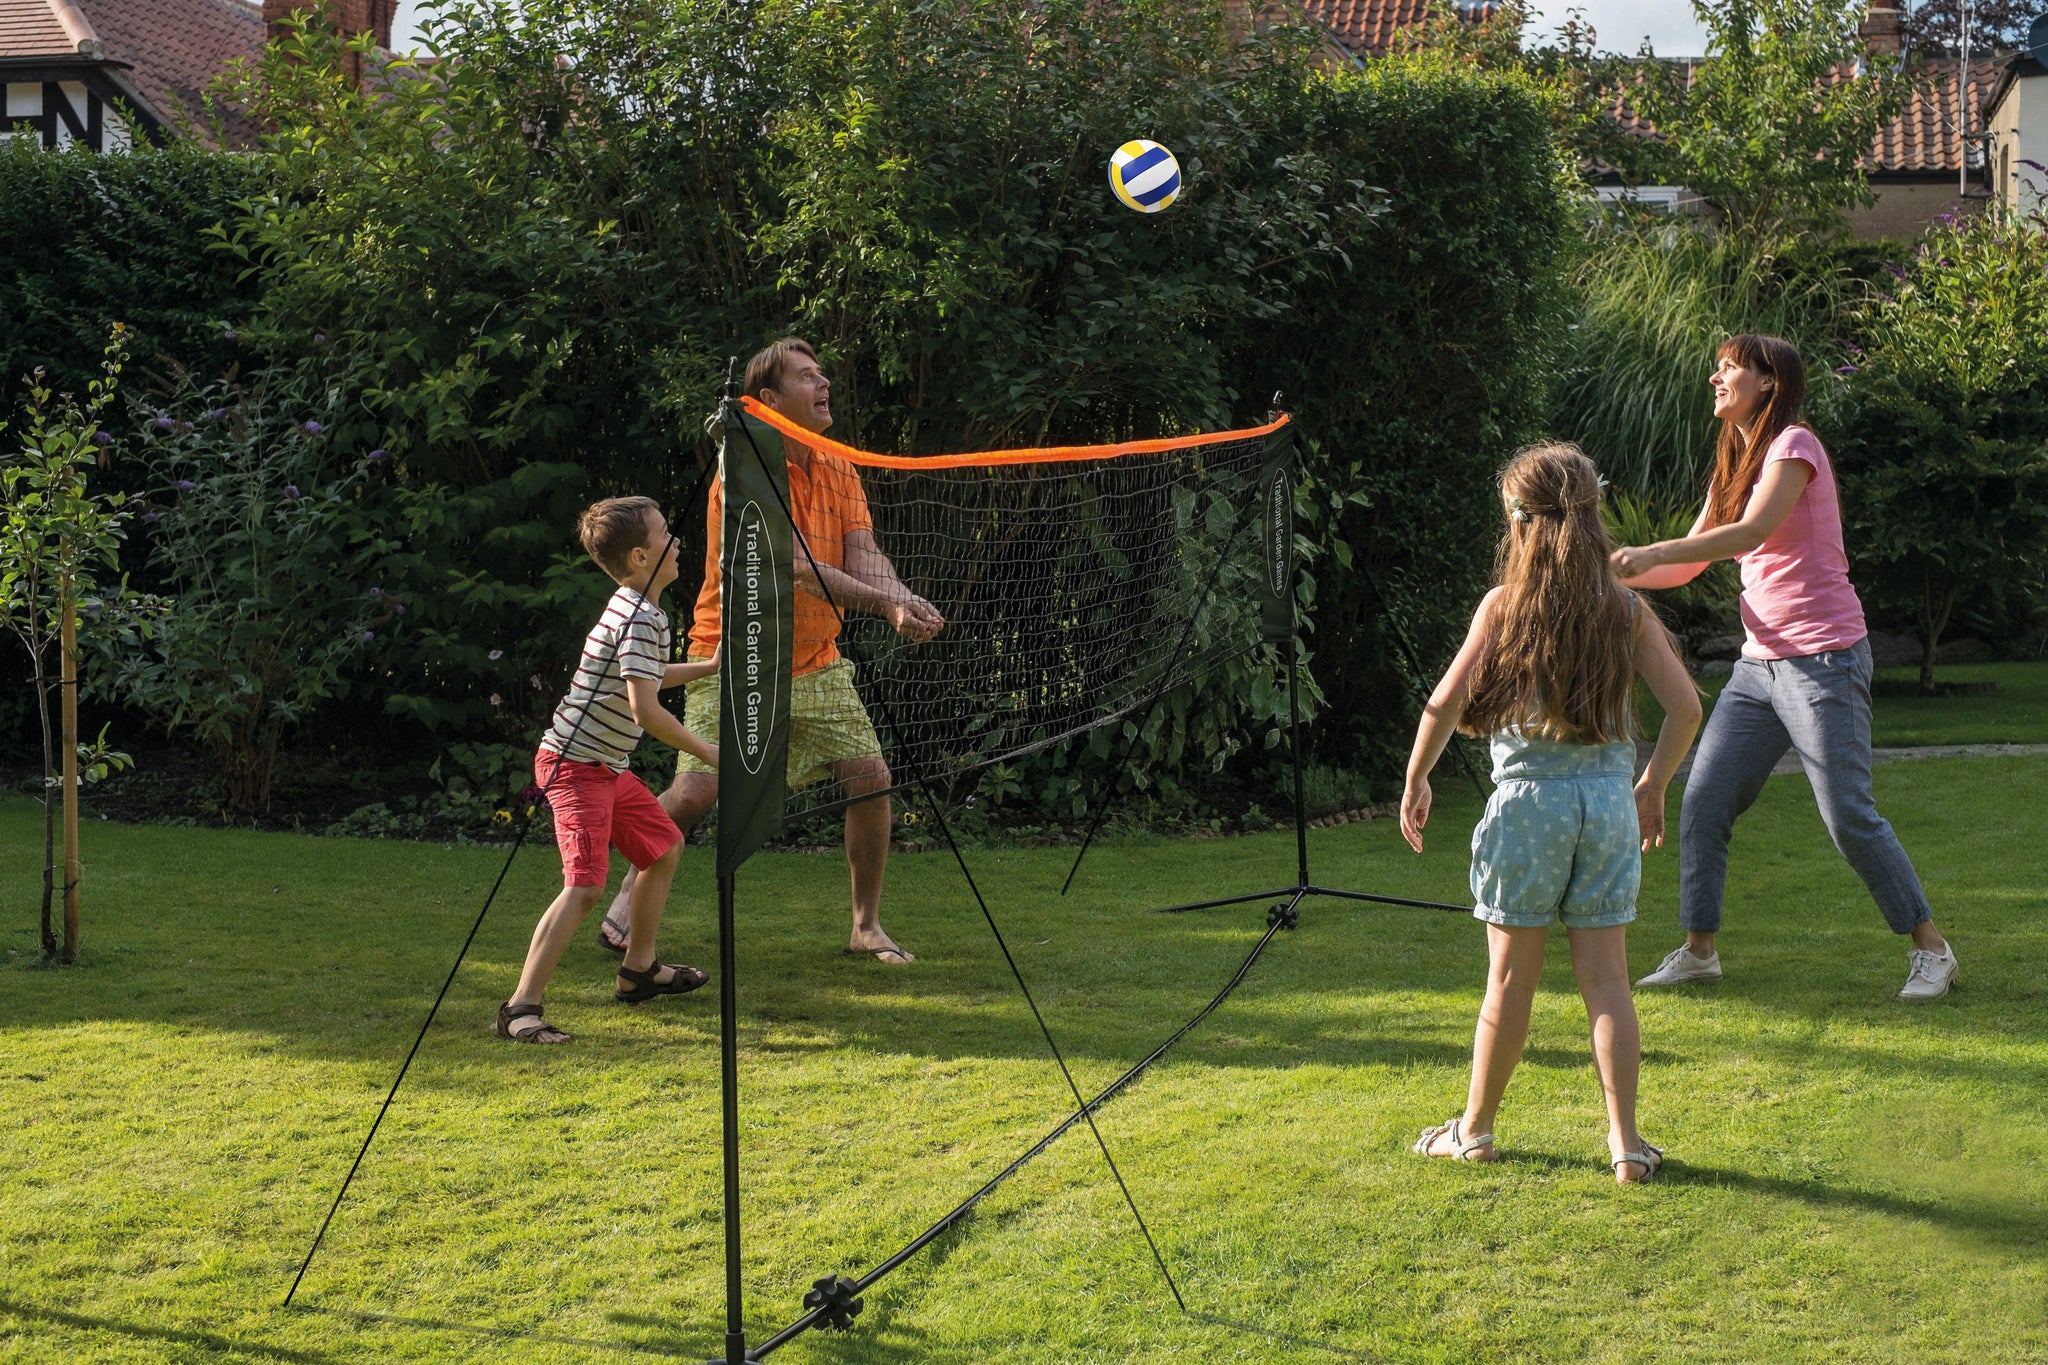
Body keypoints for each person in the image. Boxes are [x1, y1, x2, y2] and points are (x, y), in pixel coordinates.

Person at [1612, 334, 1959, 1002]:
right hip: (1758, 668)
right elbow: (1690, 563)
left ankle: (1933, 949)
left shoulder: (1794, 447)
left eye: (1730, 367)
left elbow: (1750, 533)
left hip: (1824, 660)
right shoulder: (1733, 465)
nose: (1716, 376)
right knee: (1705, 799)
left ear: (1769, 382)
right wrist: (1611, 575)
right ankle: (1700, 951)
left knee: (1848, 815)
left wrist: (1649, 551)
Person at [1402, 442, 1701, 1183]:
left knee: (1509, 982)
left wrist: (1417, 778)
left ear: (1518, 522)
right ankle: (1627, 1146)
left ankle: (1474, 1132)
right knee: (1608, 981)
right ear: (1593, 516)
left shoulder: (1503, 607)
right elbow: (1687, 708)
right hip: (1606, 805)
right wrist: (1652, 784)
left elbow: (1444, 703)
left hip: (1528, 808)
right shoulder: (1625, 609)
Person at [601, 337, 945, 964]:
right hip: (735, 654)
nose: (824, 384)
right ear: (770, 399)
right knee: (698, 789)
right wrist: (883, 605)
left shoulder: (837, 464)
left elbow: (863, 552)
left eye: (823, 374)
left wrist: (905, 599)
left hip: (815, 656)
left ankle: (865, 926)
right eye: (808, 377)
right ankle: (630, 885)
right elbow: (795, 567)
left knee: (870, 779)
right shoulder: (742, 471)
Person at [496, 496, 721, 1044]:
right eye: (666, 533)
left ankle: (638, 971)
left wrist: (709, 667)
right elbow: (646, 710)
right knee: (584, 888)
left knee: (664, 847)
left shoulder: (637, 609)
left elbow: (645, 675)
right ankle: (520, 1008)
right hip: (575, 765)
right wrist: (712, 754)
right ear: (641, 556)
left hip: (605, 766)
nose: (677, 541)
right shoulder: (639, 616)